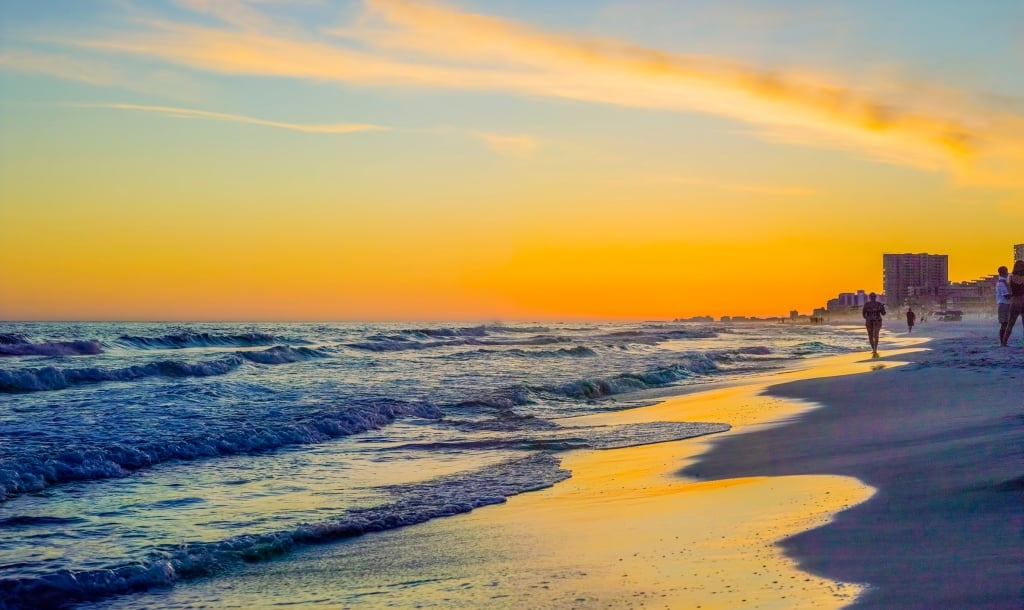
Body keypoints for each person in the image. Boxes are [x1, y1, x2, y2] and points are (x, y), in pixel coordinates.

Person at [1000, 260, 1024, 346]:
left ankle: (1004, 343)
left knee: (1010, 324)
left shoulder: (1011, 277)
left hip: (1014, 302)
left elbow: (1010, 291)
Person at [862, 292, 886, 357]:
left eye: (874, 296)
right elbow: (863, 313)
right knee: (870, 336)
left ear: (875, 297)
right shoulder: (867, 304)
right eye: (871, 297)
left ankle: (875, 349)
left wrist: (881, 308)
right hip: (869, 321)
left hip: (877, 321)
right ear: (870, 297)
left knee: (876, 335)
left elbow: (883, 313)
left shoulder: (879, 304)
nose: (873, 298)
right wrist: (867, 318)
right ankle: (873, 349)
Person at [996, 265, 1011, 346]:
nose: (1008, 273)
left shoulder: (1004, 282)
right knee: (1004, 324)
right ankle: (1003, 342)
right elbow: (1006, 295)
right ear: (1004, 272)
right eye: (1006, 271)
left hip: (1005, 305)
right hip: (1004, 305)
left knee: (1005, 324)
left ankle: (1003, 342)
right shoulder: (1002, 283)